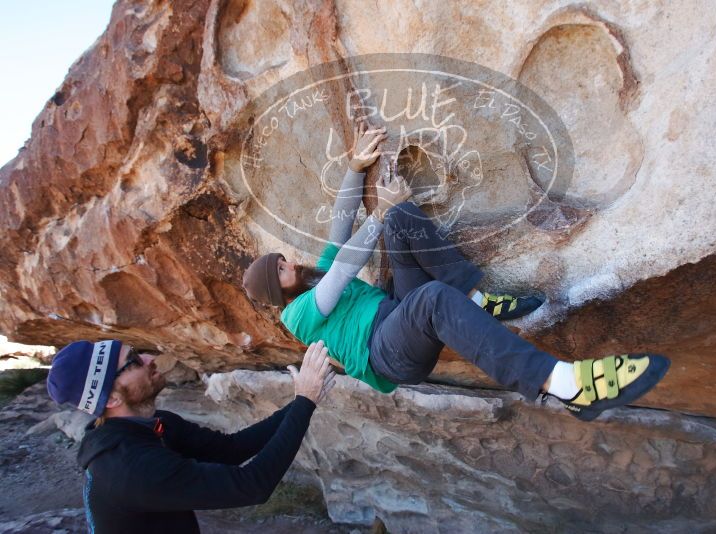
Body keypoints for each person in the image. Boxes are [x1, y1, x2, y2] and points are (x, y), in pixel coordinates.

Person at [243, 123, 670, 422]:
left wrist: (355, 167)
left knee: (402, 219)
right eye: (280, 270)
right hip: (388, 352)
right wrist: (378, 214)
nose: (291, 264)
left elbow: (340, 219)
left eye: (283, 260)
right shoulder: (295, 316)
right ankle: (562, 383)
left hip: (393, 312)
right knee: (430, 297)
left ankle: (478, 301)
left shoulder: (309, 276)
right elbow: (342, 271)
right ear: (277, 294)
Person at [46, 338, 335, 534]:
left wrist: (302, 399)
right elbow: (253, 486)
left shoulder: (155, 426)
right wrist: (305, 403)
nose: (150, 359)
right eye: (133, 360)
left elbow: (232, 449)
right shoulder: (130, 468)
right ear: (110, 399)